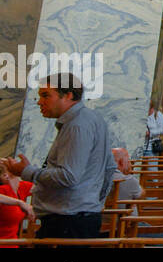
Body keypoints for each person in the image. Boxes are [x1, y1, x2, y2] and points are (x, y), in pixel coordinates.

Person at [1, 74, 115, 239]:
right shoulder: (92, 119)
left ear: (68, 95)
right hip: (78, 217)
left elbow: (68, 177)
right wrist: (94, 205)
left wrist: (26, 171)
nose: (39, 102)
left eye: (46, 95)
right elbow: (109, 168)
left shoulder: (77, 125)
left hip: (67, 222)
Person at [0, 165, 34, 246]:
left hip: (12, 243)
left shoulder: (21, 187)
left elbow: (43, 186)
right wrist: (20, 202)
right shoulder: (3, 189)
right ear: (5, 175)